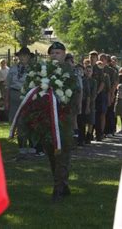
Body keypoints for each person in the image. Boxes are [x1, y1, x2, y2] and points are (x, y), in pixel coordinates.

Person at [45, 41, 78, 202]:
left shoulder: (71, 72)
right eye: (52, 52)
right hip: (46, 119)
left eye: (58, 52)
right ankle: (62, 185)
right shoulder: (43, 72)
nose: (54, 55)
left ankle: (57, 189)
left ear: (64, 54)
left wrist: (70, 114)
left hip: (64, 118)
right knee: (51, 154)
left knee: (62, 155)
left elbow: (76, 94)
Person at [6, 47, 32, 156]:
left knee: (28, 121)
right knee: (17, 121)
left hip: (28, 96)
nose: (22, 58)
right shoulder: (12, 69)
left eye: (25, 56)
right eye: (21, 56)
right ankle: (21, 146)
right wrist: (6, 100)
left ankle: (31, 146)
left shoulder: (33, 69)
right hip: (14, 95)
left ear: (29, 57)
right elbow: (7, 85)